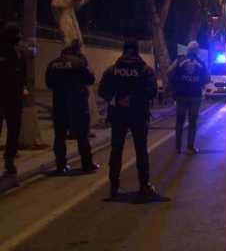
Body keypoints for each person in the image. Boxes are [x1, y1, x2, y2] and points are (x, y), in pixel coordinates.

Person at [99, 39, 158, 199]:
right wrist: (134, 100)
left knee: (116, 150)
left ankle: (114, 186)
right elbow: (152, 92)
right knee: (141, 151)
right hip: (138, 114)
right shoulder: (145, 70)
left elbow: (102, 90)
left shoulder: (113, 70)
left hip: (118, 114)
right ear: (137, 51)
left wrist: (118, 99)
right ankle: (144, 186)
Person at [45, 39, 99, 174]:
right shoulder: (80, 63)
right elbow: (90, 80)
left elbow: (48, 83)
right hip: (78, 105)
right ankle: (87, 165)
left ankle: (61, 166)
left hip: (59, 105)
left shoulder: (53, 63)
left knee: (60, 136)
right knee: (82, 136)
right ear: (77, 50)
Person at [168, 41, 209, 155]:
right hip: (195, 96)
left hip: (181, 95)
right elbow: (206, 78)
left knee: (179, 122)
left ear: (187, 50)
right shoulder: (201, 63)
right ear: (197, 51)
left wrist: (174, 87)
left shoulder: (179, 61)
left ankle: (177, 148)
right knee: (192, 122)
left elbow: (169, 73)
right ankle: (190, 147)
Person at [0, 23, 26, 176]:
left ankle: (10, 160)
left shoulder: (17, 53)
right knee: (13, 130)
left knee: (13, 130)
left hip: (11, 97)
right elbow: (19, 75)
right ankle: (9, 161)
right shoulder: (15, 54)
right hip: (12, 98)